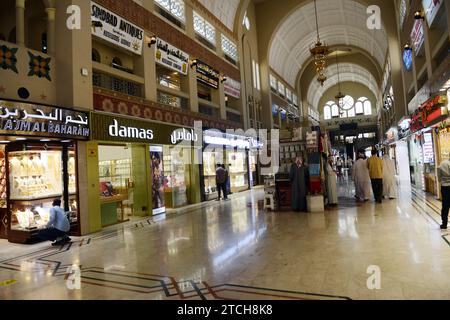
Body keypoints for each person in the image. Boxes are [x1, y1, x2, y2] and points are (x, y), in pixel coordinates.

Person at [437, 158, 450, 230]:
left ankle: (444, 224)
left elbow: (439, 178)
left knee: (445, 205)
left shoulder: (442, 163)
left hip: (445, 187)